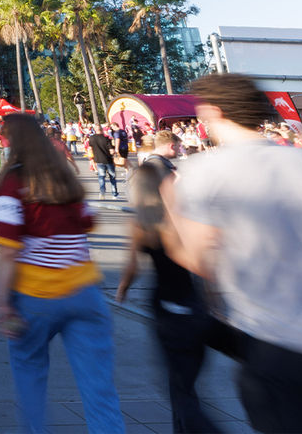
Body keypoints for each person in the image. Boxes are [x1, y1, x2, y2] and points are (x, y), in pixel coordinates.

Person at [168, 74, 302, 433]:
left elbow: (197, 259)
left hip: (280, 345)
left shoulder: (206, 171)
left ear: (214, 113)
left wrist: (170, 214)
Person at [0, 114, 124, 434]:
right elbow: (89, 221)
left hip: (35, 296)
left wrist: (1, 303)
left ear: (10, 141)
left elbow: (8, 250)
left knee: (31, 380)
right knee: (99, 388)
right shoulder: (63, 176)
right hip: (84, 293)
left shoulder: (12, 183)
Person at [116, 130, 221, 433]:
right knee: (185, 384)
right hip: (193, 306)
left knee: (180, 387)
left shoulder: (141, 225)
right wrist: (213, 299)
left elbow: (132, 266)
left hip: (166, 308)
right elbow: (199, 265)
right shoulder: (178, 220)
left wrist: (123, 289)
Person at [86, 128, 119, 198]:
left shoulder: (91, 138)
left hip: (98, 160)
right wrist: (115, 153)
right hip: (108, 160)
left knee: (101, 177)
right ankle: (114, 194)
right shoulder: (106, 139)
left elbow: (90, 148)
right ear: (102, 130)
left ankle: (102, 193)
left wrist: (92, 157)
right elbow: (111, 151)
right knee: (112, 177)